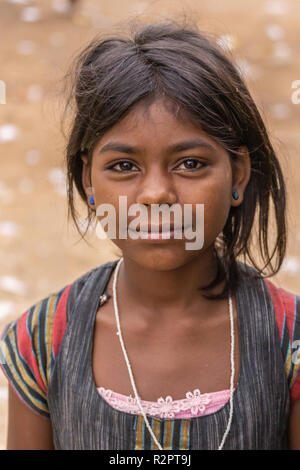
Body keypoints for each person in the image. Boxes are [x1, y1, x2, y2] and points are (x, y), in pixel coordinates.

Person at [0, 19, 299, 450]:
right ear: (88, 181)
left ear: (238, 173)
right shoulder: (44, 342)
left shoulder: (289, 339)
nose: (156, 195)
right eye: (124, 166)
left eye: (190, 163)